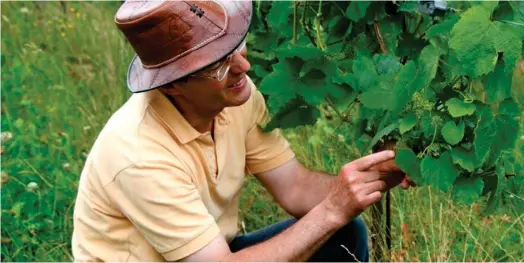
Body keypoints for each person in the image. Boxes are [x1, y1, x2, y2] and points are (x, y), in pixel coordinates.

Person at [72, 0, 415, 262]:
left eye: (235, 45)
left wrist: (377, 176)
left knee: (342, 234)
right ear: (172, 85)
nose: (243, 66)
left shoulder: (235, 98)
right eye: (219, 63)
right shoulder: (138, 155)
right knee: (330, 221)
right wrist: (332, 209)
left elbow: (295, 188)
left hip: (209, 252)